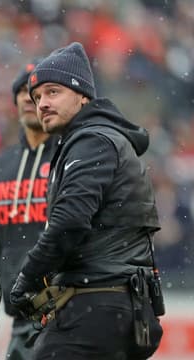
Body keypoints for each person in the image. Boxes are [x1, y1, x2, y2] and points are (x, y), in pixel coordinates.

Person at [10, 42, 163, 359]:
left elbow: (69, 223)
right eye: (37, 97)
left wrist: (27, 277)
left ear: (82, 96)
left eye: (53, 92)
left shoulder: (91, 139)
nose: (42, 104)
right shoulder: (91, 138)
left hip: (98, 304)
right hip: (119, 304)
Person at [0, 58, 58, 360]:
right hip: (20, 314)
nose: (31, 100)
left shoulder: (70, 157)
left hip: (66, 311)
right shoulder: (0, 166)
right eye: (24, 92)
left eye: (40, 93)